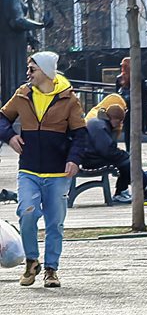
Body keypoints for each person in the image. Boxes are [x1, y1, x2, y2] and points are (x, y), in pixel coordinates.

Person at [0, 51, 87, 288]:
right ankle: (31, 262)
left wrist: (74, 159)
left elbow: (80, 134)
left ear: (46, 72)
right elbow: (2, 118)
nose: (28, 73)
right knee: (27, 214)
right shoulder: (22, 94)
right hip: (29, 169)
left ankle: (51, 269)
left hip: (58, 173)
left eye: (32, 69)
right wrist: (10, 137)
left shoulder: (69, 100)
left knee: (54, 223)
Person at [82, 104, 132, 203]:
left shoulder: (98, 122)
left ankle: (123, 190)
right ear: (115, 119)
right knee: (127, 163)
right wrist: (124, 155)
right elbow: (107, 151)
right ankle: (121, 192)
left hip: (88, 157)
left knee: (126, 161)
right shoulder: (101, 127)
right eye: (120, 121)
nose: (120, 124)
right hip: (91, 160)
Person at [116, 57, 147, 151]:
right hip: (137, 106)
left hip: (126, 107)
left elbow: (117, 93)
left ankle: (129, 150)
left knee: (127, 131)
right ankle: (134, 151)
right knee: (136, 131)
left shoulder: (120, 78)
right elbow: (143, 93)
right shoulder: (139, 77)